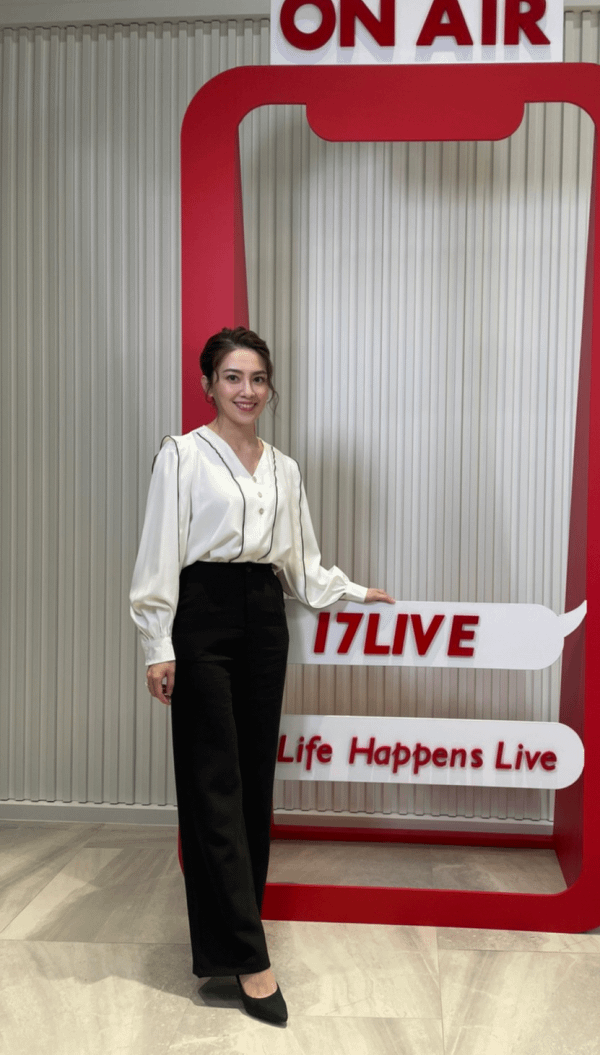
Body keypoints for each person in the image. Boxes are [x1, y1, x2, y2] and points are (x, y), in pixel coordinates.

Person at [129, 326, 393, 1026]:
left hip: (265, 617)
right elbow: (159, 550)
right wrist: (158, 642)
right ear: (209, 384)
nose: (247, 391)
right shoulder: (182, 454)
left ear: (269, 388)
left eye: (258, 379)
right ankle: (251, 960)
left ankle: (227, 949)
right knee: (212, 784)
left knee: (250, 788)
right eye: (233, 377)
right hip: (203, 614)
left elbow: (300, 562)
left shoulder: (285, 468)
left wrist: (352, 590)